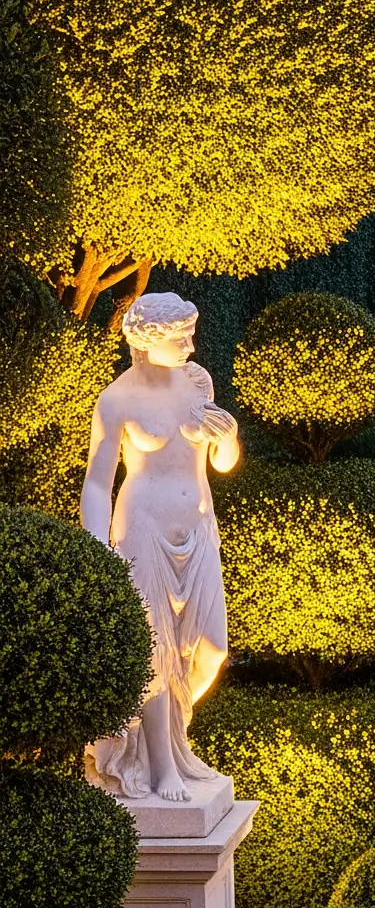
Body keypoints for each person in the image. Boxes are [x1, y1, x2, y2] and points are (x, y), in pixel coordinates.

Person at [80, 291, 239, 804]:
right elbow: (98, 483)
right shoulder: (118, 399)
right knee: (154, 656)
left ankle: (167, 737)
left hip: (197, 527)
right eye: (180, 337)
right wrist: (95, 547)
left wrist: (229, 438)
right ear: (148, 343)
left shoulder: (197, 383)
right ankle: (162, 768)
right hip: (141, 528)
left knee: (211, 650)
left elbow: (221, 464)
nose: (191, 345)